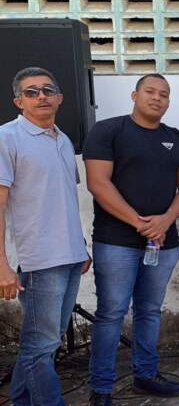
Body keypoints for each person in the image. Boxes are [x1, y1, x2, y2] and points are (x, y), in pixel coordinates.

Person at [84, 73, 179, 404]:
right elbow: (98, 183)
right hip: (115, 242)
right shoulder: (108, 131)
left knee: (149, 311)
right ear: (135, 95)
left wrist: (166, 220)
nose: (157, 98)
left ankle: (145, 375)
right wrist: (140, 223)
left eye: (164, 94)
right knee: (111, 313)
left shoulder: (176, 139)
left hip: (163, 242)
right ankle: (101, 388)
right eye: (150, 91)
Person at [0, 67, 90, 405]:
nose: (41, 96)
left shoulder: (63, 140)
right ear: (18, 101)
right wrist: (2, 265)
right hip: (38, 260)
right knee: (41, 347)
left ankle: (22, 400)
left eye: (48, 90)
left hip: (70, 257)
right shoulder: (7, 138)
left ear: (60, 98)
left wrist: (81, 246)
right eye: (32, 92)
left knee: (44, 345)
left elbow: (65, 199)